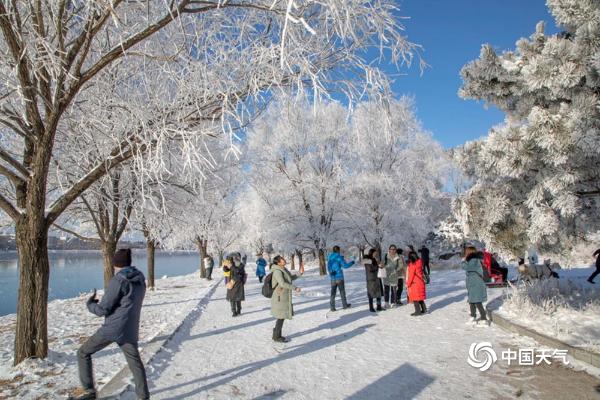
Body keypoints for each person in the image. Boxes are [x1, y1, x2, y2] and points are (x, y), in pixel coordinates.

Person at [69, 249, 149, 400]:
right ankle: (143, 396)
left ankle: (89, 392)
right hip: (130, 328)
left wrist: (90, 303)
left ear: (116, 264)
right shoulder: (139, 279)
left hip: (113, 328)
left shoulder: (119, 280)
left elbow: (102, 310)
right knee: (135, 363)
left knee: (83, 353)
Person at [270, 255, 303, 342]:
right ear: (278, 262)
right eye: (282, 259)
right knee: (281, 316)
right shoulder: (277, 271)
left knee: (281, 316)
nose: (284, 259)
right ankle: (276, 336)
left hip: (283, 296)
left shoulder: (283, 269)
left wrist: (299, 274)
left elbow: (290, 278)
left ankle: (276, 335)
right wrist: (295, 288)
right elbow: (282, 283)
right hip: (279, 296)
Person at [462, 246, 488, 324]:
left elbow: (466, 267)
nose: (465, 253)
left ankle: (484, 318)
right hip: (473, 283)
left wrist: (463, 261)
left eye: (466, 252)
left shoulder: (474, 260)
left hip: (476, 283)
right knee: (472, 301)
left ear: (470, 252)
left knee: (477, 301)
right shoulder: (472, 260)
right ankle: (473, 317)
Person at [327, 245, 355, 311]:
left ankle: (332, 307)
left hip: (333, 278)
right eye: (339, 250)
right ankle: (344, 305)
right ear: (338, 250)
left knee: (333, 293)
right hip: (339, 277)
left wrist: (331, 272)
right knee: (342, 292)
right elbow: (345, 266)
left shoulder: (330, 257)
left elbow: (328, 267)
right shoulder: (339, 257)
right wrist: (352, 262)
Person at [406, 251, 427, 316]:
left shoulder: (413, 265)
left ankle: (417, 311)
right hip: (420, 282)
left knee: (415, 298)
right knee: (420, 297)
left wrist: (408, 284)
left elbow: (411, 276)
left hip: (415, 283)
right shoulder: (419, 262)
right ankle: (424, 309)